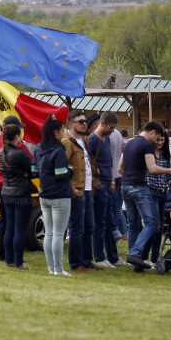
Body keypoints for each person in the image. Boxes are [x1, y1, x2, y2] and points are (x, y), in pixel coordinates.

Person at [119, 121, 171, 269]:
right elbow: (152, 169)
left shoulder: (128, 143)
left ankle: (135, 263)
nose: (157, 142)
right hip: (139, 187)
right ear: (152, 132)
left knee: (133, 226)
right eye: (157, 137)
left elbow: (120, 168)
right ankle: (135, 254)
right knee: (152, 224)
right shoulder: (146, 144)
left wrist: (129, 178)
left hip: (125, 187)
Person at [32, 115, 73, 275]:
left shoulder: (39, 148)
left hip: (44, 195)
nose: (64, 132)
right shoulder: (59, 150)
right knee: (58, 233)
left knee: (49, 233)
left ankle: (51, 268)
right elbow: (61, 174)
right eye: (63, 129)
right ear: (56, 132)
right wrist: (70, 170)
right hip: (60, 195)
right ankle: (59, 268)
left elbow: (34, 172)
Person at [61, 110, 100, 273]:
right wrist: (70, 189)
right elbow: (61, 168)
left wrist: (96, 180)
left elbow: (89, 164)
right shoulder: (67, 142)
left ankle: (86, 260)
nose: (85, 123)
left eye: (85, 121)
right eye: (81, 121)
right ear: (71, 124)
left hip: (88, 188)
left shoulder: (84, 140)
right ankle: (76, 263)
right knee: (77, 228)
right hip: (77, 190)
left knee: (89, 226)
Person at [88, 111, 126, 268]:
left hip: (108, 185)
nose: (113, 130)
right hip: (98, 186)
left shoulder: (108, 139)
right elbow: (88, 163)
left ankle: (113, 257)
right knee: (100, 223)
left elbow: (110, 162)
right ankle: (99, 256)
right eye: (111, 127)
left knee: (111, 222)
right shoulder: (92, 140)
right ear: (101, 123)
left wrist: (112, 181)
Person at [0, 116, 30, 262]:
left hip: (0, 187)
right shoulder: (19, 147)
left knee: (4, 223)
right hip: (17, 187)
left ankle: (3, 255)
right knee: (16, 226)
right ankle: (14, 256)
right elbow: (30, 161)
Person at [0, 124, 37, 270]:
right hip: (21, 193)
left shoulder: (0, 152)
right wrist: (26, 174)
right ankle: (19, 262)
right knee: (20, 230)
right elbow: (33, 171)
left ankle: (10, 260)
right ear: (16, 137)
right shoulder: (19, 153)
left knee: (9, 228)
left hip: (6, 193)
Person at [142, 132, 171, 268]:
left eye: (162, 140)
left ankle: (154, 259)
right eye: (158, 140)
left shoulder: (166, 155)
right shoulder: (148, 153)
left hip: (163, 193)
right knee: (153, 227)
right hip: (151, 192)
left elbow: (167, 178)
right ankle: (143, 256)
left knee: (160, 228)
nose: (160, 142)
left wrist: (168, 181)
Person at [109, 126, 127, 243]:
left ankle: (119, 232)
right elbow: (123, 149)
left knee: (114, 208)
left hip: (112, 175)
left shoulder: (107, 136)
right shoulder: (118, 134)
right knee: (118, 208)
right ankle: (124, 233)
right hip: (119, 174)